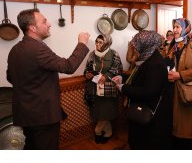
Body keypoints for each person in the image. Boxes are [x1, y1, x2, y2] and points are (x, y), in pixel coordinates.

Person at [6, 8, 90, 150]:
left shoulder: (15, 49)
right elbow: (68, 66)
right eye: (44, 21)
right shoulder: (38, 49)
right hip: (42, 116)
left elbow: (11, 77)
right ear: (33, 28)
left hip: (25, 114)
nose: (49, 24)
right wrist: (82, 43)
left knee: (32, 148)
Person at [113, 30, 173, 150]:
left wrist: (123, 88)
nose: (135, 49)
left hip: (152, 118)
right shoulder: (147, 58)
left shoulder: (155, 64)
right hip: (143, 113)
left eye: (137, 46)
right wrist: (122, 77)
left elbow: (148, 92)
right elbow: (136, 76)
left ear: (146, 45)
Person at [165, 18, 192, 150]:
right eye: (174, 27)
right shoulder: (171, 46)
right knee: (172, 130)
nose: (175, 30)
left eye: (178, 27)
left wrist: (180, 75)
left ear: (185, 28)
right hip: (171, 91)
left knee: (184, 133)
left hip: (186, 92)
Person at [83, 34, 123, 144]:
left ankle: (97, 131)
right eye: (96, 41)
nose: (97, 44)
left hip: (108, 90)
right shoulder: (92, 54)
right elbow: (87, 69)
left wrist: (106, 75)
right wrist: (87, 74)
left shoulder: (114, 54)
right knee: (99, 113)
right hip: (94, 89)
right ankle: (108, 132)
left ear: (107, 43)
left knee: (106, 112)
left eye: (100, 42)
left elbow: (118, 70)